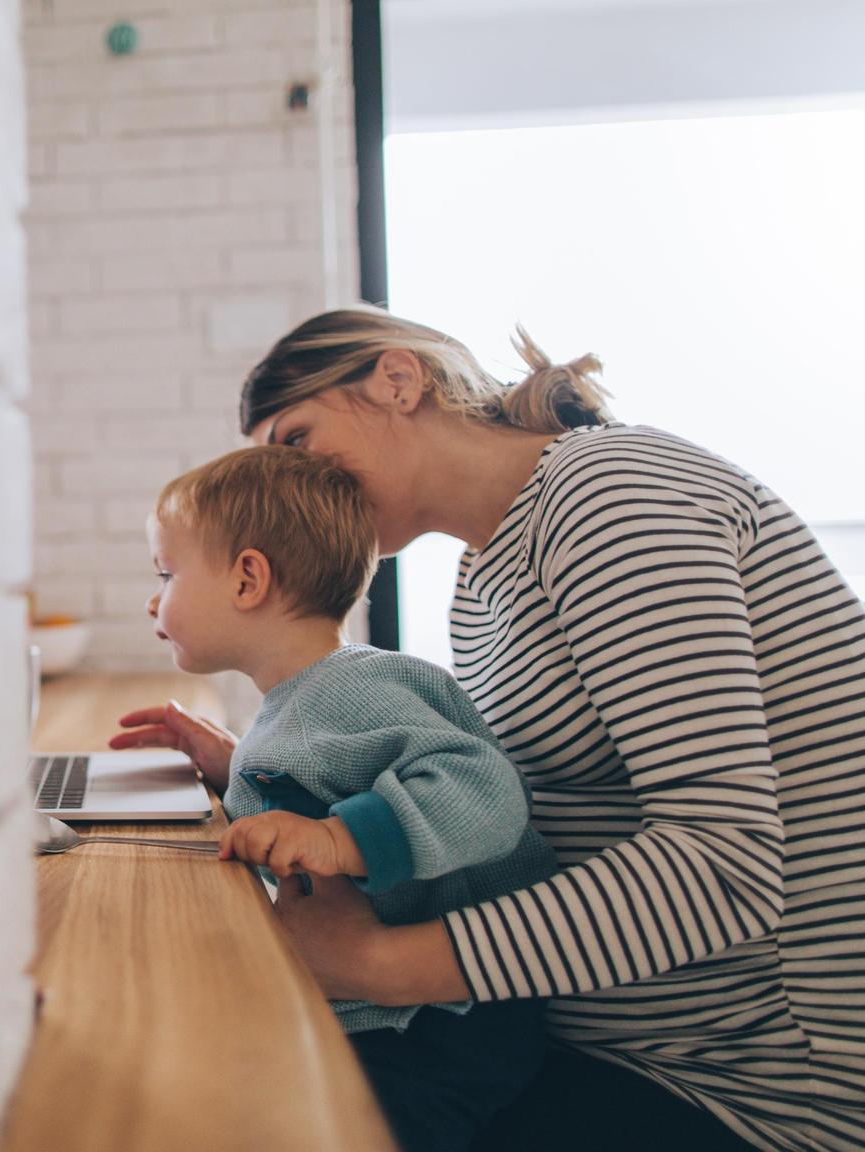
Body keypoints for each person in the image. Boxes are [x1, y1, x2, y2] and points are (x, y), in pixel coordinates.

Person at [118, 304, 865, 1152]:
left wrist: (376, 968)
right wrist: (262, 765)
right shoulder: (482, 578)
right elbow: (493, 799)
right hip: (588, 1041)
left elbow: (724, 868)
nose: (287, 484)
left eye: (295, 440)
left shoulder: (610, 496)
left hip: (751, 1085)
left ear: (398, 381)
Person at [114, 444, 557, 1152]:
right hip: (392, 1016)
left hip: (439, 1027)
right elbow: (326, 778)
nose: (151, 599)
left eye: (166, 574)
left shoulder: (360, 686)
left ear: (248, 579)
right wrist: (233, 769)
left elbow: (484, 791)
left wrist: (338, 842)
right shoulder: (305, 698)